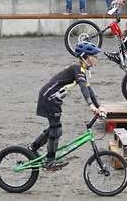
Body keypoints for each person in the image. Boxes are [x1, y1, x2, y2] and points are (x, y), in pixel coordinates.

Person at [28, 42, 105, 171]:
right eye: (94, 56)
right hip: (50, 98)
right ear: (87, 57)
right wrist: (91, 105)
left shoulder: (80, 70)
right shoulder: (77, 69)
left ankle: (32, 149)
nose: (96, 59)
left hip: (52, 98)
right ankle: (50, 161)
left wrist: (99, 106)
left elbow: (88, 90)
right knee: (56, 130)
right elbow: (83, 89)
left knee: (55, 129)